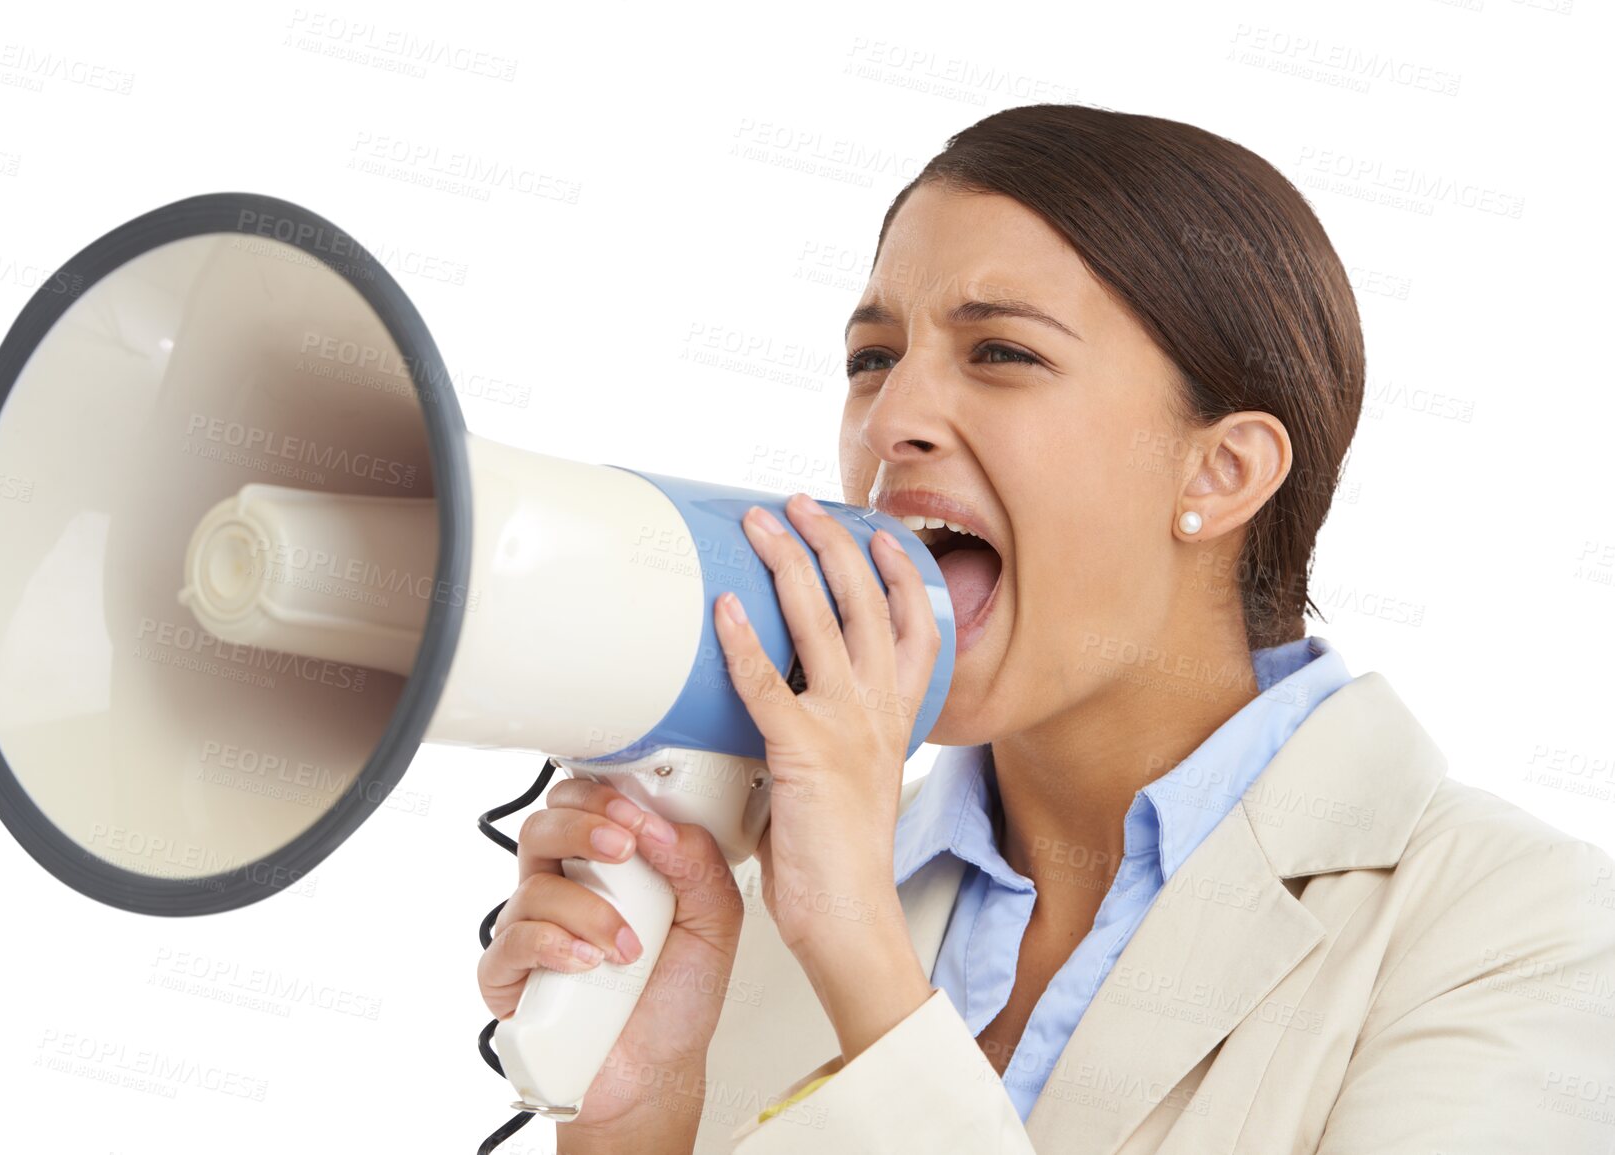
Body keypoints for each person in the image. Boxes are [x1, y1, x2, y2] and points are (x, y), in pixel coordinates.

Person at [476, 104, 1615, 1153]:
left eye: (1001, 354)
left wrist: (867, 971)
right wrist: (644, 1112)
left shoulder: (1520, 934)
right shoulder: (784, 905)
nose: (892, 420)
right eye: (872, 359)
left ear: (1220, 471)